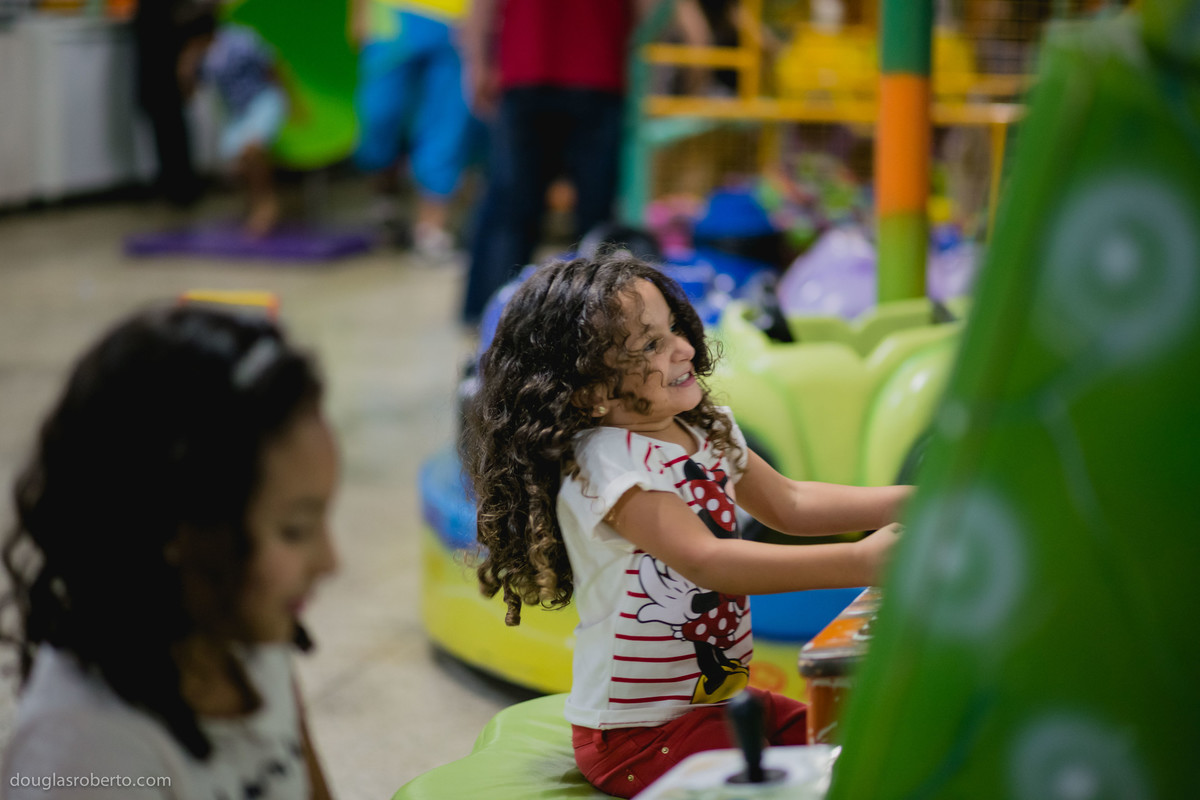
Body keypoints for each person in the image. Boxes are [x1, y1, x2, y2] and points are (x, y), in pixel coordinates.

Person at [461, 254, 909, 798]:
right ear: (590, 392)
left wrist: (914, 502)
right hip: (640, 735)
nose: (685, 347)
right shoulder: (609, 463)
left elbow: (790, 502)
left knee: (860, 744)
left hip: (716, 702)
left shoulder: (703, 429)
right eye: (650, 344)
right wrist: (861, 562)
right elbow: (711, 562)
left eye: (673, 327)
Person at [0, 306, 338, 799]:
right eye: (295, 530)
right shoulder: (87, 753)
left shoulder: (238, 636)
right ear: (177, 529)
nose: (332, 561)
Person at [459, 0, 658, 326]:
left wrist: (477, 61)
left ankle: (489, 315)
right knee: (595, 211)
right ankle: (601, 319)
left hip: (527, 65)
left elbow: (484, 6)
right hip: (596, 69)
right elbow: (646, 9)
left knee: (511, 206)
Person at [349, 0, 474, 260]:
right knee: (379, 115)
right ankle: (386, 199)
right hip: (390, 16)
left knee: (445, 124)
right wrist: (358, 12)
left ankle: (431, 230)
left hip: (455, 18)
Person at [178, 12, 292, 236]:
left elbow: (272, 66)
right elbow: (191, 96)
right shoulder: (202, 56)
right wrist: (185, 71)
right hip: (238, 114)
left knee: (252, 149)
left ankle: (266, 205)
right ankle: (252, 203)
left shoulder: (241, 41)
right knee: (235, 168)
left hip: (262, 101)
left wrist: (291, 101)